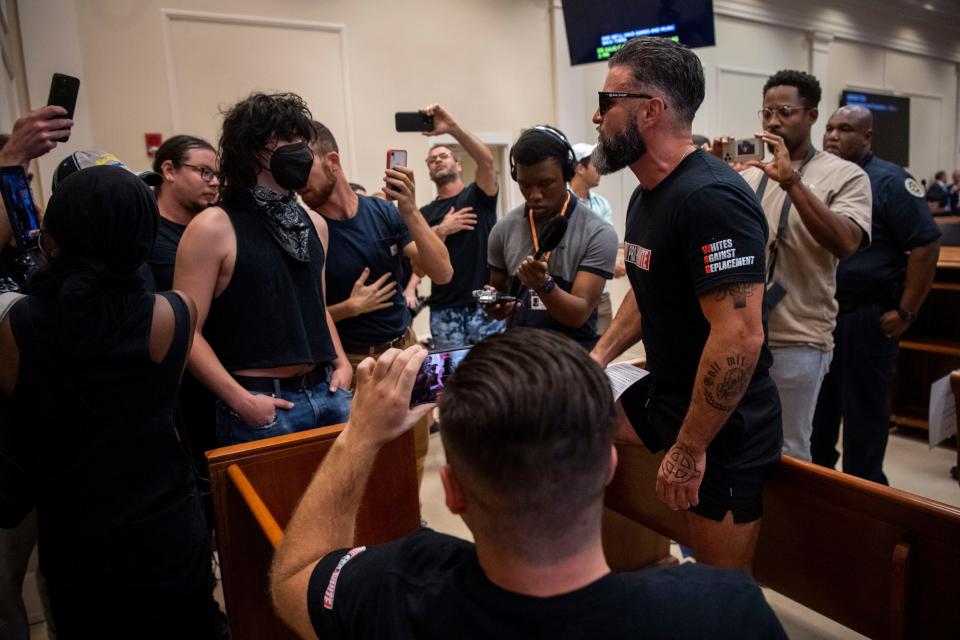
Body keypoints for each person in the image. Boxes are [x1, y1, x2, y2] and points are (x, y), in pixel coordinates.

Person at [268, 329, 786, 639]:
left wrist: (359, 437)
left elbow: (293, 579)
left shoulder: (400, 587)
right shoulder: (723, 612)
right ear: (607, 467)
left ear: (453, 491)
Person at [0, 166, 222, 637]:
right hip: (165, 525)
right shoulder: (175, 313)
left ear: (54, 237)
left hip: (75, 532)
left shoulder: (14, 327)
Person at [590, 37, 782, 571]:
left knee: (722, 596)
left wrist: (690, 448)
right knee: (571, 415)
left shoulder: (710, 199)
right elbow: (647, 288)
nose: (595, 115)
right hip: (670, 395)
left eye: (607, 102)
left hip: (723, 421)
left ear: (651, 110)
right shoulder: (647, 191)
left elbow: (739, 336)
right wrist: (599, 356)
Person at [174, 92, 353, 447]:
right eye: (288, 139)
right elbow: (185, 332)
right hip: (262, 408)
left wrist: (342, 364)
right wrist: (240, 399)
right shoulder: (214, 226)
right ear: (255, 149)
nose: (300, 149)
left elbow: (316, 307)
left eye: (302, 140)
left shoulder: (314, 223)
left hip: (328, 394)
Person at [728, 69, 872, 462]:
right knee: (739, 438)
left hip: (799, 334)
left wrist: (792, 182)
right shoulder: (750, 174)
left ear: (811, 115)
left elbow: (845, 242)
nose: (773, 121)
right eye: (767, 112)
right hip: (742, 331)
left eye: (785, 111)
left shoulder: (846, 175)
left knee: (789, 449)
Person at [299, 119, 452, 483]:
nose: (295, 179)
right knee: (361, 469)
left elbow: (442, 271)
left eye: (303, 166)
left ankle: (410, 529)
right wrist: (347, 309)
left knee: (414, 455)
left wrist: (411, 210)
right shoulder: (304, 228)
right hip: (350, 362)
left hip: (406, 351)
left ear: (332, 162)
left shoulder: (383, 213)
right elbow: (302, 314)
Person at [811, 105, 941, 483]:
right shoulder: (818, 177)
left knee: (864, 420)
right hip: (821, 315)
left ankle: (864, 504)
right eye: (830, 128)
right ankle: (819, 497)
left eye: (846, 129)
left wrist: (906, 312)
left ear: (867, 137)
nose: (833, 136)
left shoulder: (889, 181)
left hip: (866, 318)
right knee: (818, 418)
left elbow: (926, 246)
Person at [485, 125, 618, 351]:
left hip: (573, 360)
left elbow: (579, 314)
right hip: (519, 358)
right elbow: (497, 289)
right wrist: (492, 302)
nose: (534, 195)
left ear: (568, 173)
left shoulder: (598, 233)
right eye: (525, 185)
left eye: (546, 184)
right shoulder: (503, 229)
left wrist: (543, 285)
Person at [416, 104, 502, 349]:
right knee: (453, 379)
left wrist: (452, 128)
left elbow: (486, 161)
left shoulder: (477, 197)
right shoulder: (424, 214)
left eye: (443, 156)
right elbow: (419, 269)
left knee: (493, 372)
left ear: (459, 165)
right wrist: (441, 230)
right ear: (429, 171)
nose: (437, 161)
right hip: (445, 308)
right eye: (432, 160)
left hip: (485, 301)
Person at [146, 135, 219, 292]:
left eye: (217, 174)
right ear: (169, 171)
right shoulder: (149, 235)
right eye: (205, 172)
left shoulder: (211, 223)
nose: (215, 182)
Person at [569, 142, 626, 334]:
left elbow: (604, 246)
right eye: (595, 164)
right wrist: (609, 266)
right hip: (570, 293)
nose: (600, 170)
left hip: (601, 295)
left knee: (602, 354)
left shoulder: (602, 204)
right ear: (580, 168)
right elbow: (571, 249)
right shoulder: (563, 204)